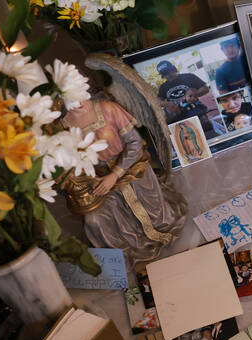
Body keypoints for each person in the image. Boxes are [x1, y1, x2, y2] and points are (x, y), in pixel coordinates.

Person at [61, 97, 186, 265]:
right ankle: (122, 254)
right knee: (95, 220)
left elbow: (135, 143)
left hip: (131, 168)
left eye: (78, 93)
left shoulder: (108, 109)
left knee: (155, 216)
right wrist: (90, 179)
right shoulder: (61, 127)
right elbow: (70, 166)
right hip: (98, 180)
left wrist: (114, 175)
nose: (78, 102)